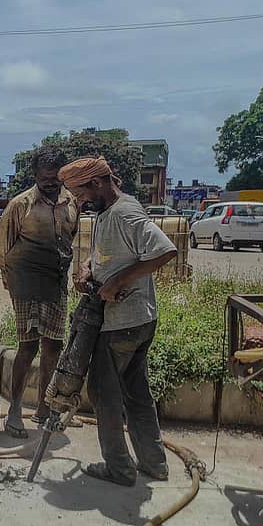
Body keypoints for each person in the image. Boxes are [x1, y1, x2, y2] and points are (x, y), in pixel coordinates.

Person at [59, 156, 177, 487]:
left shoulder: (125, 212)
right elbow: (107, 256)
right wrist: (88, 271)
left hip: (122, 324)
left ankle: (120, 468)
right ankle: (154, 463)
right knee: (136, 391)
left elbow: (165, 251)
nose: (80, 202)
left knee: (103, 393)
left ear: (97, 184)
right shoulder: (106, 213)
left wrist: (117, 283)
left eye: (81, 195)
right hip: (137, 321)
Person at [0, 146, 78, 438]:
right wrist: (12, 285)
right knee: (28, 347)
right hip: (26, 284)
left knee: (54, 346)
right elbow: (3, 248)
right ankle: (15, 410)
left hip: (56, 284)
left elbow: (70, 239)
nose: (51, 185)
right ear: (35, 176)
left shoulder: (72, 202)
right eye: (45, 180)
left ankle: (45, 409)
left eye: (56, 179)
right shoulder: (21, 205)